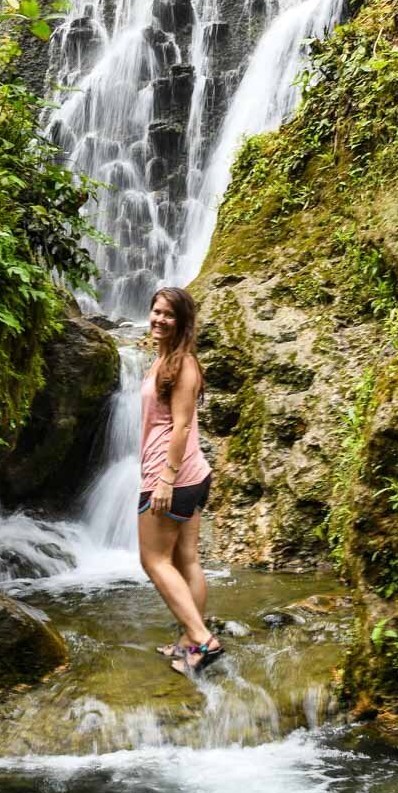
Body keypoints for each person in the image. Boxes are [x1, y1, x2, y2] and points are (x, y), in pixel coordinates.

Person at [138, 285, 224, 674]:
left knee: (153, 560)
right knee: (184, 559)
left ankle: (202, 640)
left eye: (168, 314)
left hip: (173, 475)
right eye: (156, 311)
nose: (159, 319)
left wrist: (165, 480)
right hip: (190, 474)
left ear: (183, 322)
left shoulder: (184, 364)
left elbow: (182, 425)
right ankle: (188, 642)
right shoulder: (164, 361)